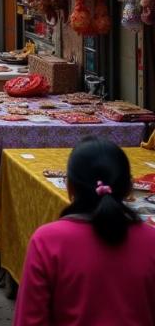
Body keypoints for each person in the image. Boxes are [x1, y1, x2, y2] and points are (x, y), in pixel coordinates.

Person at [13, 137, 155, 325]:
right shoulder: (150, 240)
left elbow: (29, 319)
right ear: (129, 189)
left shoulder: (47, 241)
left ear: (69, 187)